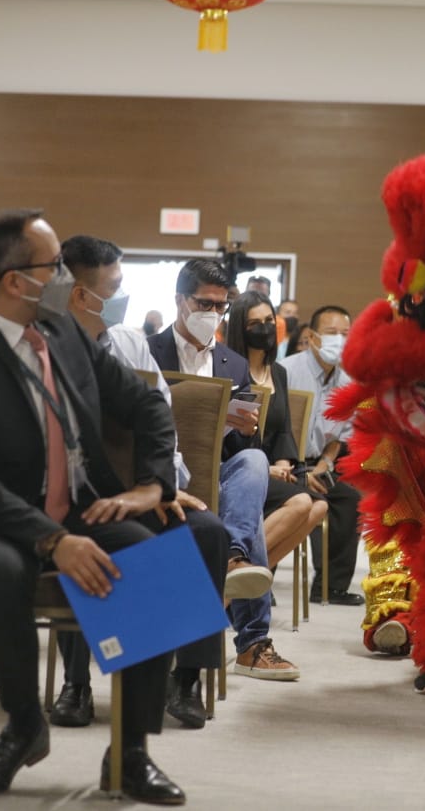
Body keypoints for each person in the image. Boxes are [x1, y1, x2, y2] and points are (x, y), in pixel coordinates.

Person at [0, 209, 186, 803]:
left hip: (78, 506)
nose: (66, 275)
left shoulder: (64, 332)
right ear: (17, 280)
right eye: (56, 265)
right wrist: (52, 540)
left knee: (157, 563)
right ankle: (22, 726)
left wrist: (152, 484)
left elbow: (144, 406)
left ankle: (131, 754)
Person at [53, 235, 232, 730]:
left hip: (143, 490)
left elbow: (161, 418)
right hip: (73, 501)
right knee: (88, 534)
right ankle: (76, 683)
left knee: (208, 532)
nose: (121, 299)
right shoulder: (42, 352)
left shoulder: (129, 344)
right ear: (77, 293)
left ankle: (186, 680)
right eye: (112, 288)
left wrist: (164, 484)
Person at [147, 259, 299, 681]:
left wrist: (245, 426)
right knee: (247, 521)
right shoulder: (148, 351)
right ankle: (252, 640)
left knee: (253, 460)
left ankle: (233, 558)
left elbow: (245, 443)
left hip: (216, 470)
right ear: (180, 300)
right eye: (203, 303)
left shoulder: (232, 364)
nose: (212, 314)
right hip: (161, 471)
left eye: (221, 306)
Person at [225, 292, 328, 569]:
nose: (265, 328)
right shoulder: (230, 370)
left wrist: (283, 465)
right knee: (301, 504)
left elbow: (283, 430)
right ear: (240, 328)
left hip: (274, 469)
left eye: (269, 320)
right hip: (241, 469)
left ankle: (249, 580)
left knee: (319, 506)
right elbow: (229, 435)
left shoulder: (278, 372)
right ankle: (234, 572)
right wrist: (265, 468)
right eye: (255, 323)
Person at [278, 305, 364, 605]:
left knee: (350, 498)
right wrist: (298, 470)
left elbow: (340, 436)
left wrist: (325, 464)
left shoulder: (350, 380)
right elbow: (275, 428)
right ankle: (257, 584)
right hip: (285, 461)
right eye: (331, 334)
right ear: (312, 337)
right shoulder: (286, 371)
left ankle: (330, 586)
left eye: (345, 334)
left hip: (321, 463)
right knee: (280, 498)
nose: (338, 341)